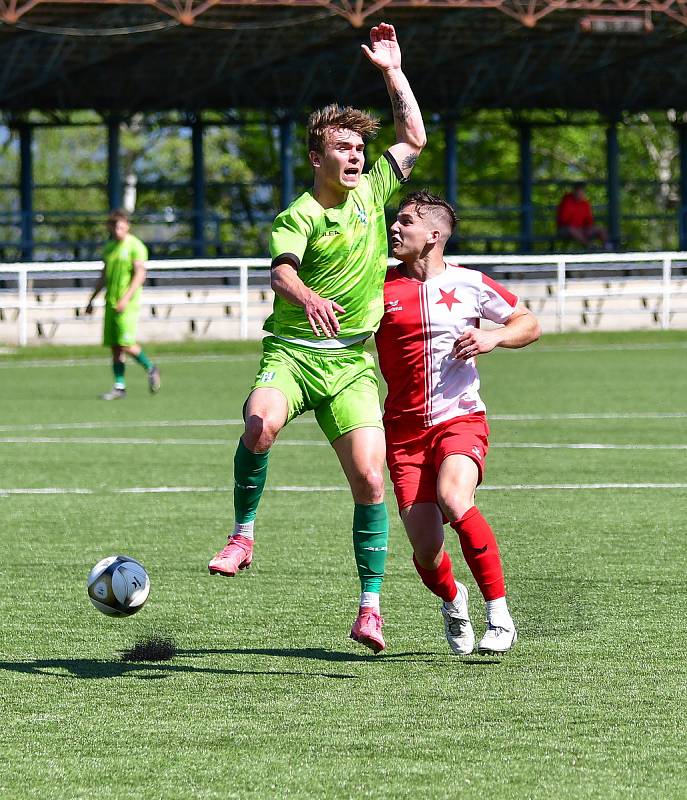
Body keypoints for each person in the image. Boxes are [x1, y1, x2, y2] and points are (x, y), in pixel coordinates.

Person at [208, 22, 426, 654]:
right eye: (343, 146)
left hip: (351, 365)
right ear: (316, 157)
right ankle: (243, 535)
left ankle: (370, 608)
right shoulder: (300, 214)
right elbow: (280, 270)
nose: (356, 155)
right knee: (259, 427)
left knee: (371, 481)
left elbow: (413, 136)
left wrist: (392, 72)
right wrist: (305, 296)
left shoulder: (375, 191)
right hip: (294, 354)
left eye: (360, 146)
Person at [375, 190, 541, 655]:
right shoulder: (378, 285)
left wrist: (495, 337)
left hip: (460, 419)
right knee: (426, 551)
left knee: (454, 498)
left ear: (433, 235)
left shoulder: (469, 283)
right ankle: (453, 598)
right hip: (404, 434)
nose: (394, 228)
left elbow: (529, 322)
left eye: (404, 221)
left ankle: (500, 615)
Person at [85, 210, 160, 399]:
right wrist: (91, 299)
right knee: (115, 346)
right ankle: (120, 386)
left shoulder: (136, 246)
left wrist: (126, 298)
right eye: (114, 226)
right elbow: (104, 275)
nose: (118, 230)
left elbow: (140, 274)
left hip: (128, 304)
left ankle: (151, 368)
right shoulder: (110, 247)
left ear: (127, 225)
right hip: (110, 302)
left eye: (121, 226)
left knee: (125, 343)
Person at [556, 181, 610, 249]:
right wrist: (577, 228)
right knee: (572, 230)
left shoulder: (585, 203)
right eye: (578, 191)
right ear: (574, 191)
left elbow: (589, 220)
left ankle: (608, 247)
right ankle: (590, 246)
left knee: (600, 228)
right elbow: (563, 220)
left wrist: (588, 227)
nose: (580, 193)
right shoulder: (566, 201)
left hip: (581, 228)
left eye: (582, 191)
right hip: (565, 230)